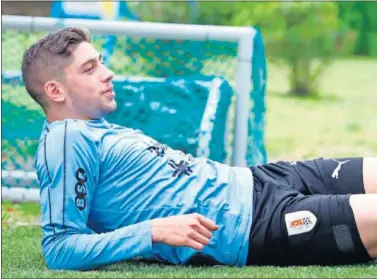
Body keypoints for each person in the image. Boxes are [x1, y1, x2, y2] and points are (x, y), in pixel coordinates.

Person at [21, 27, 377, 271]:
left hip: (259, 179)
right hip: (253, 228)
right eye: (90, 68)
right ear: (55, 91)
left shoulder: (94, 127)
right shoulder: (65, 139)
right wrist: (153, 231)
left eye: (101, 61)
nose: (108, 72)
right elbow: (60, 246)